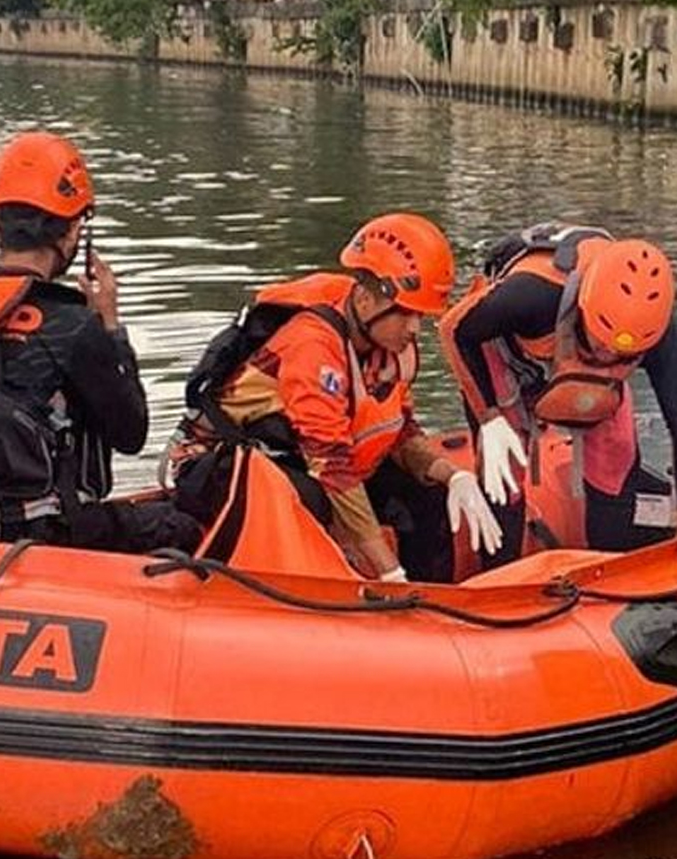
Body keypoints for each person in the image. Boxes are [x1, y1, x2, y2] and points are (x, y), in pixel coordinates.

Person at [0, 130, 201, 553]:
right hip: (40, 536)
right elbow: (131, 433)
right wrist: (111, 327)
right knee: (184, 526)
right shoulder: (72, 325)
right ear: (73, 232)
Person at [163, 213, 500, 583]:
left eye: (420, 316)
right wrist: (389, 572)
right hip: (222, 464)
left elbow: (400, 432)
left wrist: (452, 476)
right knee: (313, 501)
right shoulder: (313, 344)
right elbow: (332, 467)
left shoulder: (386, 342)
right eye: (406, 314)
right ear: (367, 299)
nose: (415, 328)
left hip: (300, 457)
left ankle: (432, 597)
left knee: (424, 493)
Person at [437, 223, 677, 570]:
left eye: (622, 356)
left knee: (615, 463)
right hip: (505, 355)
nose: (608, 357)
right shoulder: (531, 297)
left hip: (586, 383)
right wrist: (489, 419)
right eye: (601, 343)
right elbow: (453, 329)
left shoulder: (659, 331)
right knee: (504, 474)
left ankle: (607, 570)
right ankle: (500, 576)